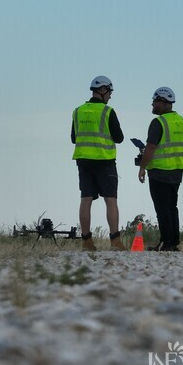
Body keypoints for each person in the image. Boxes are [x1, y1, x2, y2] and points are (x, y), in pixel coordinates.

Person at [71, 76, 127, 251]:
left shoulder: (77, 111)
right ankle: (115, 242)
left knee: (85, 199)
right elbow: (119, 138)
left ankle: (86, 241)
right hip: (104, 161)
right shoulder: (107, 111)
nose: (110, 96)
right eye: (109, 92)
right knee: (110, 200)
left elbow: (74, 138)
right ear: (102, 90)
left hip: (83, 161)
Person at [138, 87, 183, 251]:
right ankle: (173, 242)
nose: (152, 105)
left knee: (162, 208)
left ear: (163, 102)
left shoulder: (158, 122)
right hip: (177, 170)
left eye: (154, 101)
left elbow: (151, 147)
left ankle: (167, 243)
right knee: (172, 207)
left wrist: (142, 167)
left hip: (160, 171)